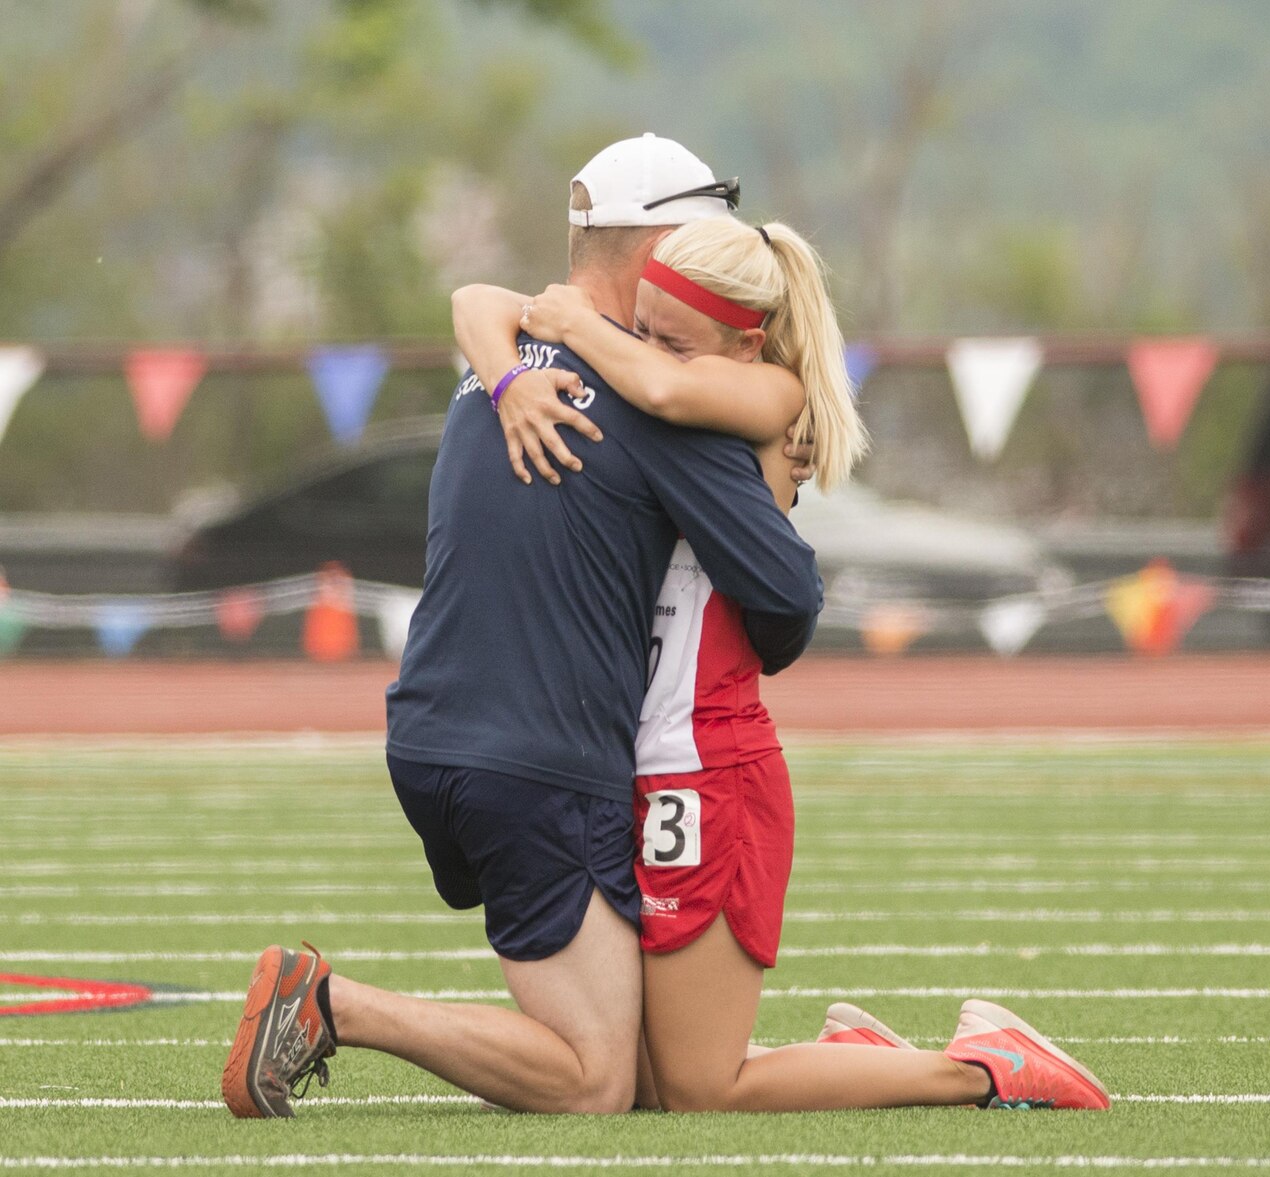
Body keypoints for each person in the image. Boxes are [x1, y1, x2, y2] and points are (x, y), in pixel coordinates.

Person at [221, 134, 825, 1119]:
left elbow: (480, 299)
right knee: (597, 1081)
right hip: (540, 760)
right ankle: (332, 1005)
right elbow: (785, 608)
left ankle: (838, 1058)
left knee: (641, 1061)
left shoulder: (493, 368)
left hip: (430, 733)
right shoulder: (653, 397)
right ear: (660, 241)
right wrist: (767, 479)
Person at [453, 214, 1110, 1112]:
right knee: (640, 1073)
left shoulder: (760, 394)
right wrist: (507, 369)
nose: (642, 348)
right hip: (641, 759)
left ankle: (982, 1064)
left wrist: (570, 326)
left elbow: (659, 387)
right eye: (640, 324)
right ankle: (857, 1058)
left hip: (707, 759)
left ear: (743, 342)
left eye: (669, 336)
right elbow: (482, 303)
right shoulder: (669, 377)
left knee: (697, 1089)